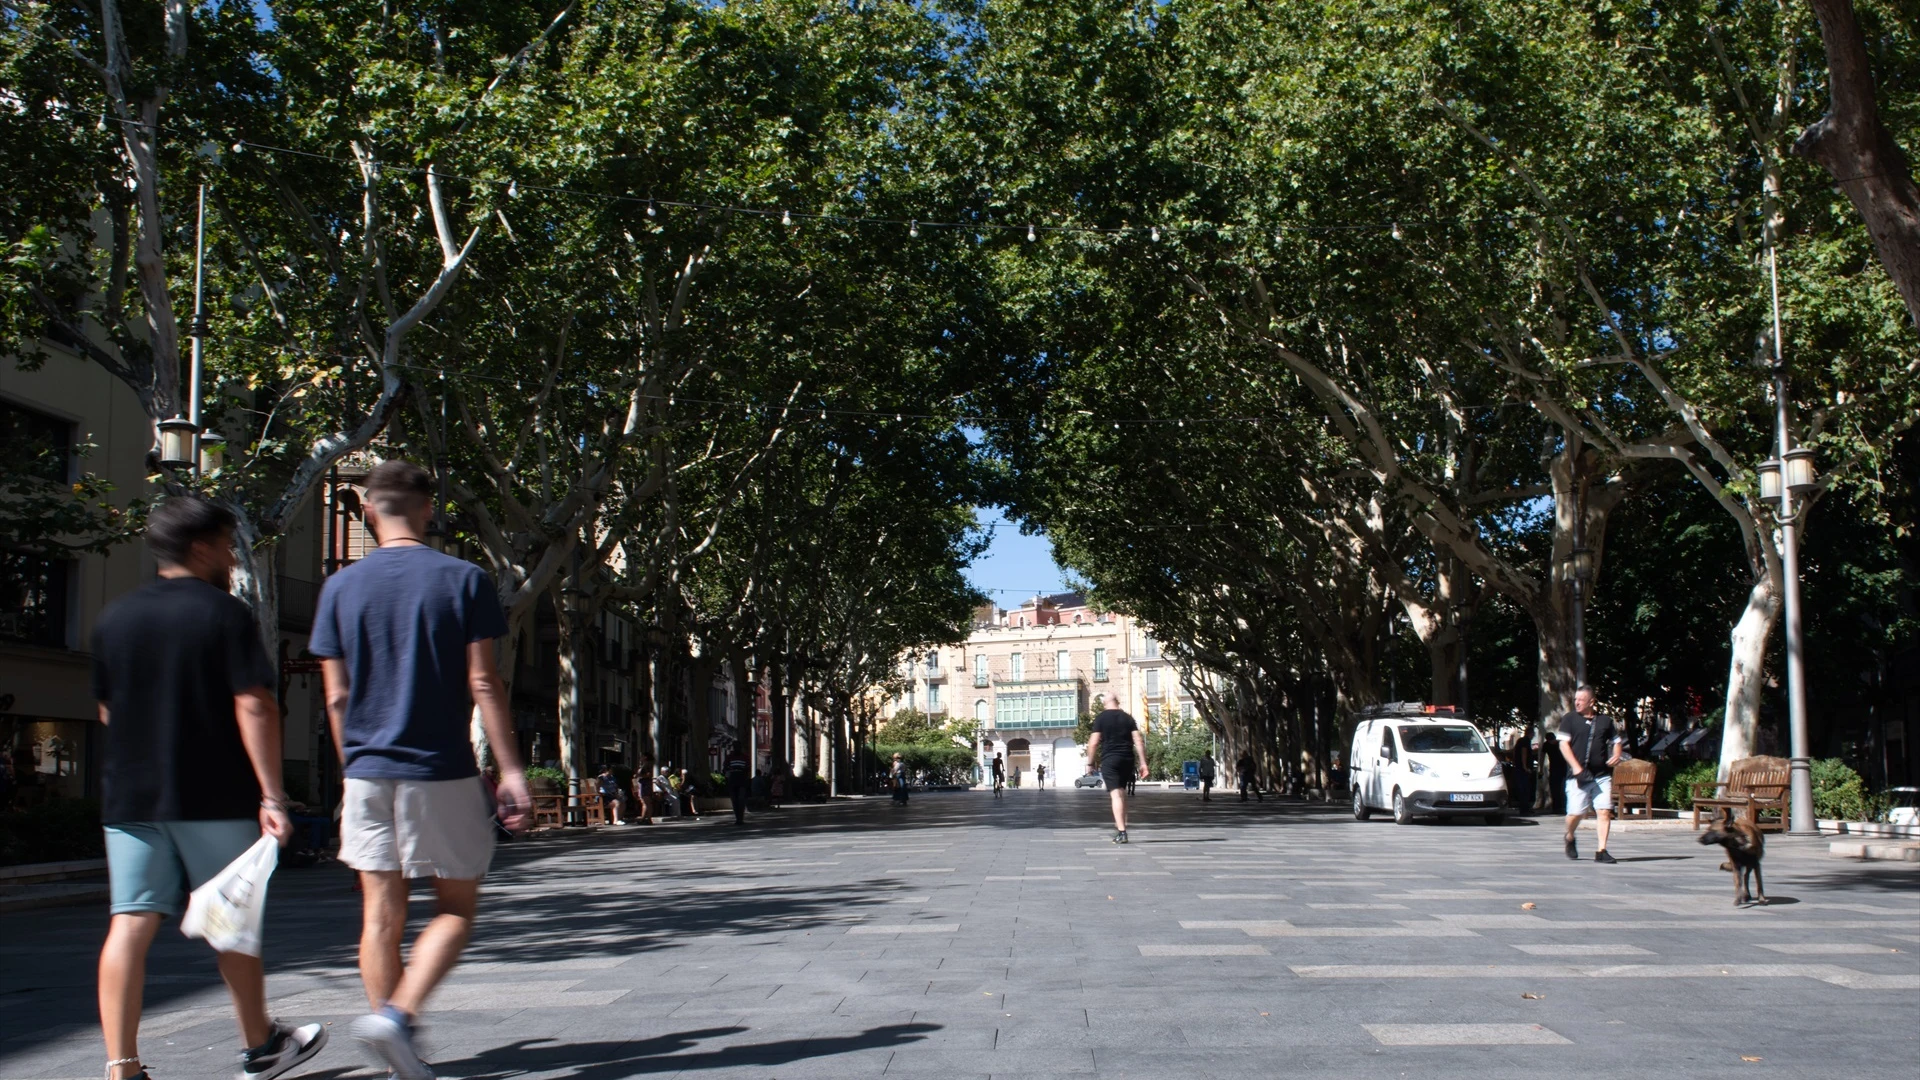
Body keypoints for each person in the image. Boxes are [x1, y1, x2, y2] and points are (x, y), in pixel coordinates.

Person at [91, 496, 328, 1080]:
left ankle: (122, 1066)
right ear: (201, 547)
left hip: (131, 798)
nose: (230, 556)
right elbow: (255, 703)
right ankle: (260, 1044)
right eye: (226, 544)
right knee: (230, 921)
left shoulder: (112, 618)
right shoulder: (223, 614)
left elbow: (105, 712)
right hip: (211, 794)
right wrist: (273, 795)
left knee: (130, 921)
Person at [311, 460, 531, 1080]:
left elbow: (335, 697)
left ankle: (396, 1040)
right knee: (456, 909)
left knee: (380, 917)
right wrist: (510, 773)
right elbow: (483, 682)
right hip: (442, 769)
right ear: (428, 510)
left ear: (367, 510)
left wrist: (352, 769)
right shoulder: (463, 580)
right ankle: (398, 1018)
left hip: (367, 772)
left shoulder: (338, 590)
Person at [1558, 685, 1623, 863]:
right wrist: (1576, 767)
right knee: (1576, 813)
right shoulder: (1569, 719)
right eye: (1575, 700)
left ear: (1592, 702)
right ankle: (1570, 836)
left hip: (1601, 775)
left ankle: (1602, 850)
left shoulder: (1605, 721)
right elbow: (1563, 745)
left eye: (1581, 700)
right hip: (1577, 776)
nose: (1577, 703)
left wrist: (1617, 754)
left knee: (1604, 811)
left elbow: (1617, 741)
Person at [1086, 703, 1149, 843]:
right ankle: (1121, 825)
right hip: (1128, 759)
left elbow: (1093, 742)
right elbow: (1138, 740)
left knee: (1116, 795)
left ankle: (1122, 832)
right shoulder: (1128, 718)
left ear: (1105, 704)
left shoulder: (1101, 717)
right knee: (1122, 793)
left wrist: (1090, 763)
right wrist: (1143, 763)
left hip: (1111, 759)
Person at [724, 743, 750, 825]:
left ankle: (740, 818)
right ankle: (738, 818)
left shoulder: (745, 757)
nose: (737, 749)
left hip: (742, 781)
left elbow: (748, 768)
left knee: (741, 799)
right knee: (734, 800)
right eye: (736, 747)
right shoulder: (729, 757)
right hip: (732, 781)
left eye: (738, 747)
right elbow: (725, 767)